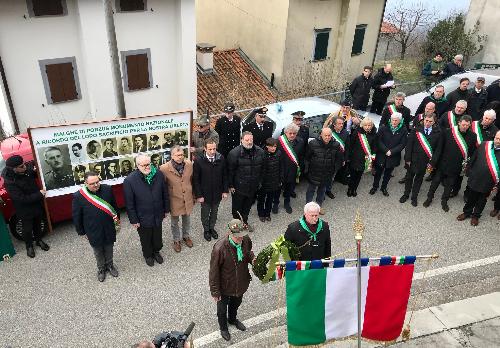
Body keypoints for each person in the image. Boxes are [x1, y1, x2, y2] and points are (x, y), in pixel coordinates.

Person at [209, 219, 255, 342]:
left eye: (242, 236)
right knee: (222, 310)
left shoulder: (245, 240)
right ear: (230, 233)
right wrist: (215, 292)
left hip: (241, 281)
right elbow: (213, 272)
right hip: (225, 286)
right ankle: (223, 328)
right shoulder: (219, 248)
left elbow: (248, 252)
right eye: (237, 237)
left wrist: (253, 259)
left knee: (236, 303)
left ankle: (232, 319)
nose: (241, 239)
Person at [72, 171, 119, 282]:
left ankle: (110, 265)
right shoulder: (78, 196)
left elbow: (114, 207)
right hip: (92, 229)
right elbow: (76, 216)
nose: (96, 185)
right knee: (98, 251)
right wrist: (81, 232)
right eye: (92, 183)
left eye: (97, 182)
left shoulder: (108, 189)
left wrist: (117, 222)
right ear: (85, 183)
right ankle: (101, 269)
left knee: (109, 247)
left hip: (108, 226)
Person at [123, 154, 170, 267]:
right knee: (146, 238)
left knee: (157, 236)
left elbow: (165, 193)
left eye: (148, 164)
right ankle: (148, 255)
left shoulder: (158, 174)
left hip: (158, 213)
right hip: (142, 216)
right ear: (137, 165)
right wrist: (134, 220)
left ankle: (156, 251)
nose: (146, 167)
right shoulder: (130, 180)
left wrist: (166, 209)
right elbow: (129, 203)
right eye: (143, 165)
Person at [423, 115, 477, 212]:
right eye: (463, 124)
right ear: (459, 123)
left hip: (456, 166)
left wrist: (468, 165)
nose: (465, 126)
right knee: (435, 183)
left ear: (470, 125)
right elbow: (439, 148)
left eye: (467, 125)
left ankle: (444, 201)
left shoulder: (473, 136)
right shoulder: (448, 132)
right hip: (443, 164)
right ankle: (429, 198)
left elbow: (472, 151)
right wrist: (433, 162)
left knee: (449, 185)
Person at [1, 155, 50, 258]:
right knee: (27, 229)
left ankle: (38, 240)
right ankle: (29, 246)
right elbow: (21, 198)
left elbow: (31, 171)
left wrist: (35, 171)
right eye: (21, 166)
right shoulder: (10, 182)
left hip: (36, 204)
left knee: (38, 224)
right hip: (24, 209)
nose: (25, 167)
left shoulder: (24, 169)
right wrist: (39, 194)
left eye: (24, 164)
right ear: (14, 169)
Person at [457, 130, 500, 226]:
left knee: (482, 200)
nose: (498, 141)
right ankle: (467, 212)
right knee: (471, 197)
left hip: (489, 182)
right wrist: (468, 170)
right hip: (475, 177)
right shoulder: (485, 144)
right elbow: (474, 157)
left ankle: (476, 216)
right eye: (497, 138)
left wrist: (497, 185)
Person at [400, 114, 442, 206]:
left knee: (419, 179)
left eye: (430, 121)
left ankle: (414, 197)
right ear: (424, 120)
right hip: (412, 159)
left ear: (434, 122)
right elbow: (409, 145)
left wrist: (432, 162)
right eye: (426, 120)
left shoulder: (438, 133)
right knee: (409, 178)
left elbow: (438, 150)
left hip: (425, 162)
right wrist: (407, 159)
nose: (428, 123)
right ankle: (406, 194)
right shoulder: (416, 130)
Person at [226, 132, 265, 231]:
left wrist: (259, 182)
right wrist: (231, 185)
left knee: (247, 207)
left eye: (251, 140)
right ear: (241, 140)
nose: (249, 142)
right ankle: (236, 226)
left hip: (252, 187)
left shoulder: (260, 151)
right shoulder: (234, 153)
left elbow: (263, 169)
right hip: (238, 187)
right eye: (247, 140)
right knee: (237, 209)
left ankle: (245, 223)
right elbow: (230, 171)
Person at [160, 146, 195, 253]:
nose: (180, 157)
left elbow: (192, 180)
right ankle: (176, 240)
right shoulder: (164, 168)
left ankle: (186, 236)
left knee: (187, 219)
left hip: (187, 197)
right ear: (172, 156)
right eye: (177, 155)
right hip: (174, 199)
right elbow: (163, 186)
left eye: (182, 155)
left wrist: (193, 195)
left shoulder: (189, 164)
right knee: (174, 222)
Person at [193, 139, 228, 242]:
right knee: (205, 213)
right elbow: (196, 180)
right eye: (210, 149)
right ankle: (206, 230)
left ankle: (212, 228)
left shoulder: (221, 158)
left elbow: (225, 175)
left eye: (214, 149)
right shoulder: (199, 161)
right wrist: (199, 195)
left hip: (217, 192)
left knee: (214, 212)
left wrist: (225, 191)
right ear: (205, 149)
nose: (213, 151)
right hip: (205, 194)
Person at [369, 112, 407, 196]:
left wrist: (392, 151)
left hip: (393, 156)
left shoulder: (403, 130)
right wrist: (386, 150)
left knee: (387, 174)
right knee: (378, 173)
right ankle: (375, 187)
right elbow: (378, 140)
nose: (394, 122)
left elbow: (403, 144)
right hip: (382, 154)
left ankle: (384, 188)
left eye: (396, 120)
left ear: (400, 121)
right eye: (392, 120)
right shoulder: (383, 127)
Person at [306, 128, 342, 214]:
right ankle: (308, 208)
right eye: (325, 135)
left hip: (327, 173)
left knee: (322, 191)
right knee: (311, 190)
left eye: (329, 135)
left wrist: (334, 169)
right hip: (314, 172)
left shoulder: (336, 145)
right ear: (321, 135)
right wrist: (307, 169)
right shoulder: (312, 143)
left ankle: (318, 207)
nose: (327, 137)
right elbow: (307, 157)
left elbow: (339, 158)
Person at [279, 123, 305, 214]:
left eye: (294, 133)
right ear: (285, 133)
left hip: (293, 170)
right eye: (290, 133)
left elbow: (301, 156)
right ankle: (275, 204)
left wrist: (300, 168)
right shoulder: (279, 142)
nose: (292, 135)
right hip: (281, 169)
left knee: (289, 188)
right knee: (278, 188)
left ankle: (287, 203)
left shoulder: (300, 141)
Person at [347, 117, 377, 197]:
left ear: (372, 126)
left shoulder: (374, 135)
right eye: (365, 125)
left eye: (369, 125)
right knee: (353, 175)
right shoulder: (357, 133)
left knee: (359, 176)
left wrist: (372, 159)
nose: (367, 127)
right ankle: (350, 189)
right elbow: (351, 145)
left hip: (365, 159)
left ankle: (354, 189)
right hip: (355, 158)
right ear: (362, 125)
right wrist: (349, 157)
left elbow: (374, 148)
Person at [257, 138, 283, 222]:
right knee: (261, 199)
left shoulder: (279, 153)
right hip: (263, 182)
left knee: (270, 199)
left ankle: (267, 213)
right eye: (271, 146)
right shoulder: (261, 154)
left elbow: (281, 167)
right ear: (267, 146)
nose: (273, 148)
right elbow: (259, 170)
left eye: (275, 146)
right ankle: (261, 214)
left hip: (274, 181)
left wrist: (280, 180)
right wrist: (259, 182)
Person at [325, 116, 349, 199]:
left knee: (332, 176)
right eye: (339, 123)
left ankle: (328, 190)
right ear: (334, 124)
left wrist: (344, 159)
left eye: (342, 123)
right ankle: (322, 191)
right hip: (327, 159)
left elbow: (347, 147)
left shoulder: (346, 133)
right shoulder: (328, 132)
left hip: (338, 160)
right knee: (325, 176)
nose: (341, 125)